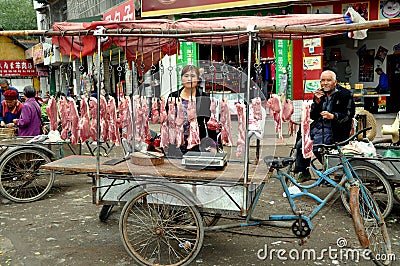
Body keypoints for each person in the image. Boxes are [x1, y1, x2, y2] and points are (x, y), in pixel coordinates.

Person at [294, 70, 355, 182]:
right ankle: (304, 171)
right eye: (323, 80)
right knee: (301, 144)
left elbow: (349, 114)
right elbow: (313, 115)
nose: (325, 83)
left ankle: (332, 171)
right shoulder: (319, 94)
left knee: (317, 147)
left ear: (335, 82)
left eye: (328, 80)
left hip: (335, 129)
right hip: (319, 126)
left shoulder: (345, 94)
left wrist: (333, 116)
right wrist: (316, 102)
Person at [165, 65, 218, 156]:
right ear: (181, 79)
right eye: (186, 76)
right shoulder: (173, 96)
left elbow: (210, 123)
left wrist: (214, 145)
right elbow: (166, 121)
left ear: (198, 79)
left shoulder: (204, 97)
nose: (189, 79)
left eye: (193, 76)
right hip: (175, 140)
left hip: (196, 141)